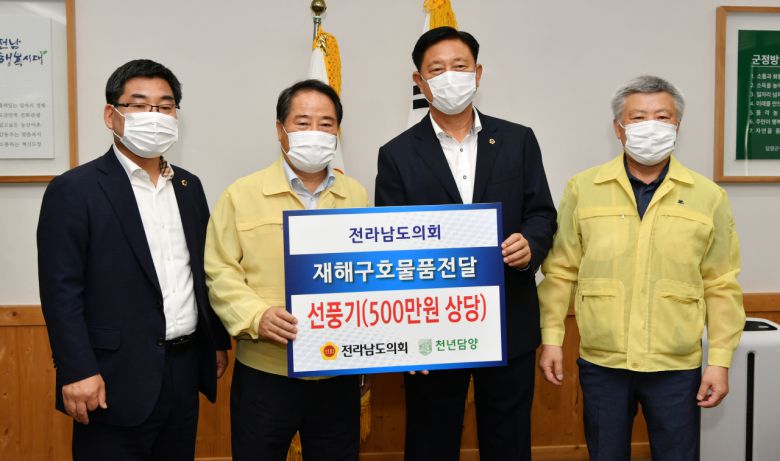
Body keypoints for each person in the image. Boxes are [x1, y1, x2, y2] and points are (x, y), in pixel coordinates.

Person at [538, 75, 746, 461]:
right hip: (603, 363)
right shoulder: (584, 188)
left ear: (677, 126)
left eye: (662, 117)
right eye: (638, 118)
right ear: (619, 128)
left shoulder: (708, 196)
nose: (651, 126)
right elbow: (561, 270)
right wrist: (551, 338)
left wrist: (719, 362)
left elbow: (720, 283)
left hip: (676, 366)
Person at [375, 27, 557, 461]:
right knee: (431, 440)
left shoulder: (518, 140)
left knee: (508, 441)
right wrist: (405, 334)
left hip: (508, 319)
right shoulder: (396, 153)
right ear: (419, 82)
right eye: (437, 69)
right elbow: (391, 243)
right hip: (431, 327)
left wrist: (530, 247)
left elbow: (542, 214)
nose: (450, 77)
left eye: (459, 66)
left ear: (477, 73)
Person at [37, 59, 230, 460]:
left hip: (183, 371)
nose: (154, 116)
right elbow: (61, 291)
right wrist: (77, 370)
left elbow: (201, 270)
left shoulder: (188, 186)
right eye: (139, 105)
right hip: (110, 378)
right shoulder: (75, 189)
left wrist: (215, 341)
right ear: (112, 115)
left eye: (165, 106)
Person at [205, 79, 368, 461]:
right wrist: (256, 316)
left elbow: (370, 275)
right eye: (303, 122)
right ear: (280, 130)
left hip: (337, 372)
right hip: (266, 373)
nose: (315, 133)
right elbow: (219, 271)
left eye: (326, 124)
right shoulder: (240, 194)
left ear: (338, 133)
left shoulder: (356, 195)